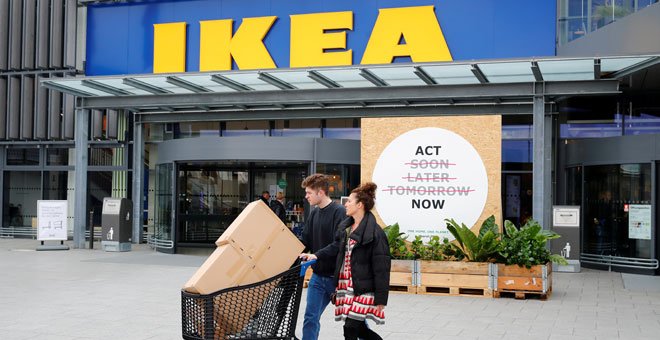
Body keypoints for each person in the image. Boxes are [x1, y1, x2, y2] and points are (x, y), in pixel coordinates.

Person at [333, 182, 390, 340]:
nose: (346, 203)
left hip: (364, 288)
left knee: (350, 328)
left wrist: (381, 298)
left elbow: (382, 268)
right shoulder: (346, 228)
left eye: (350, 201)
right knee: (359, 330)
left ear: (360, 205)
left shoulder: (375, 233)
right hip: (348, 285)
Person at [298, 174, 346, 340]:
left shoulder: (339, 212)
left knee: (354, 320)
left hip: (337, 279)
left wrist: (316, 255)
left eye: (309, 192)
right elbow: (305, 240)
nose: (306, 196)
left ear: (320, 192)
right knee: (310, 318)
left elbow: (339, 243)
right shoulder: (314, 213)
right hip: (318, 278)